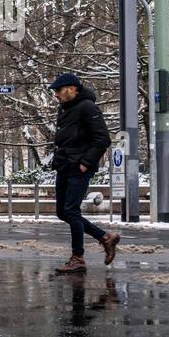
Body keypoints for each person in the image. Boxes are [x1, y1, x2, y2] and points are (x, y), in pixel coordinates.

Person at [49, 73, 119, 274]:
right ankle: (106, 238)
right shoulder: (64, 108)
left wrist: (85, 163)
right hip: (64, 165)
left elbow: (102, 139)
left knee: (71, 211)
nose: (56, 95)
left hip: (78, 167)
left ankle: (78, 258)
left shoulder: (88, 107)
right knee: (62, 212)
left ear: (72, 88)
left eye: (58, 90)